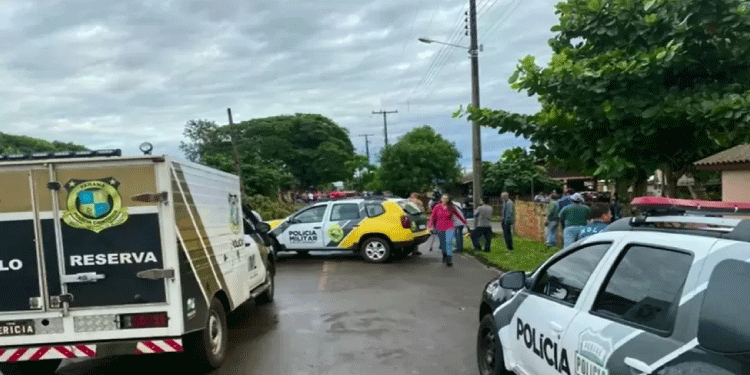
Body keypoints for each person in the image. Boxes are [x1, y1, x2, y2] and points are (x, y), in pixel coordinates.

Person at [428, 194, 467, 267]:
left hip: (449, 226)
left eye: (447, 198)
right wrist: (430, 226)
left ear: (448, 200)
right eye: (444, 198)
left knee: (448, 242)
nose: (445, 199)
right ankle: (444, 255)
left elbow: (458, 215)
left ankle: (449, 260)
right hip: (440, 227)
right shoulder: (437, 207)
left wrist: (464, 221)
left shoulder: (451, 207)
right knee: (443, 244)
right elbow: (433, 217)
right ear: (441, 199)